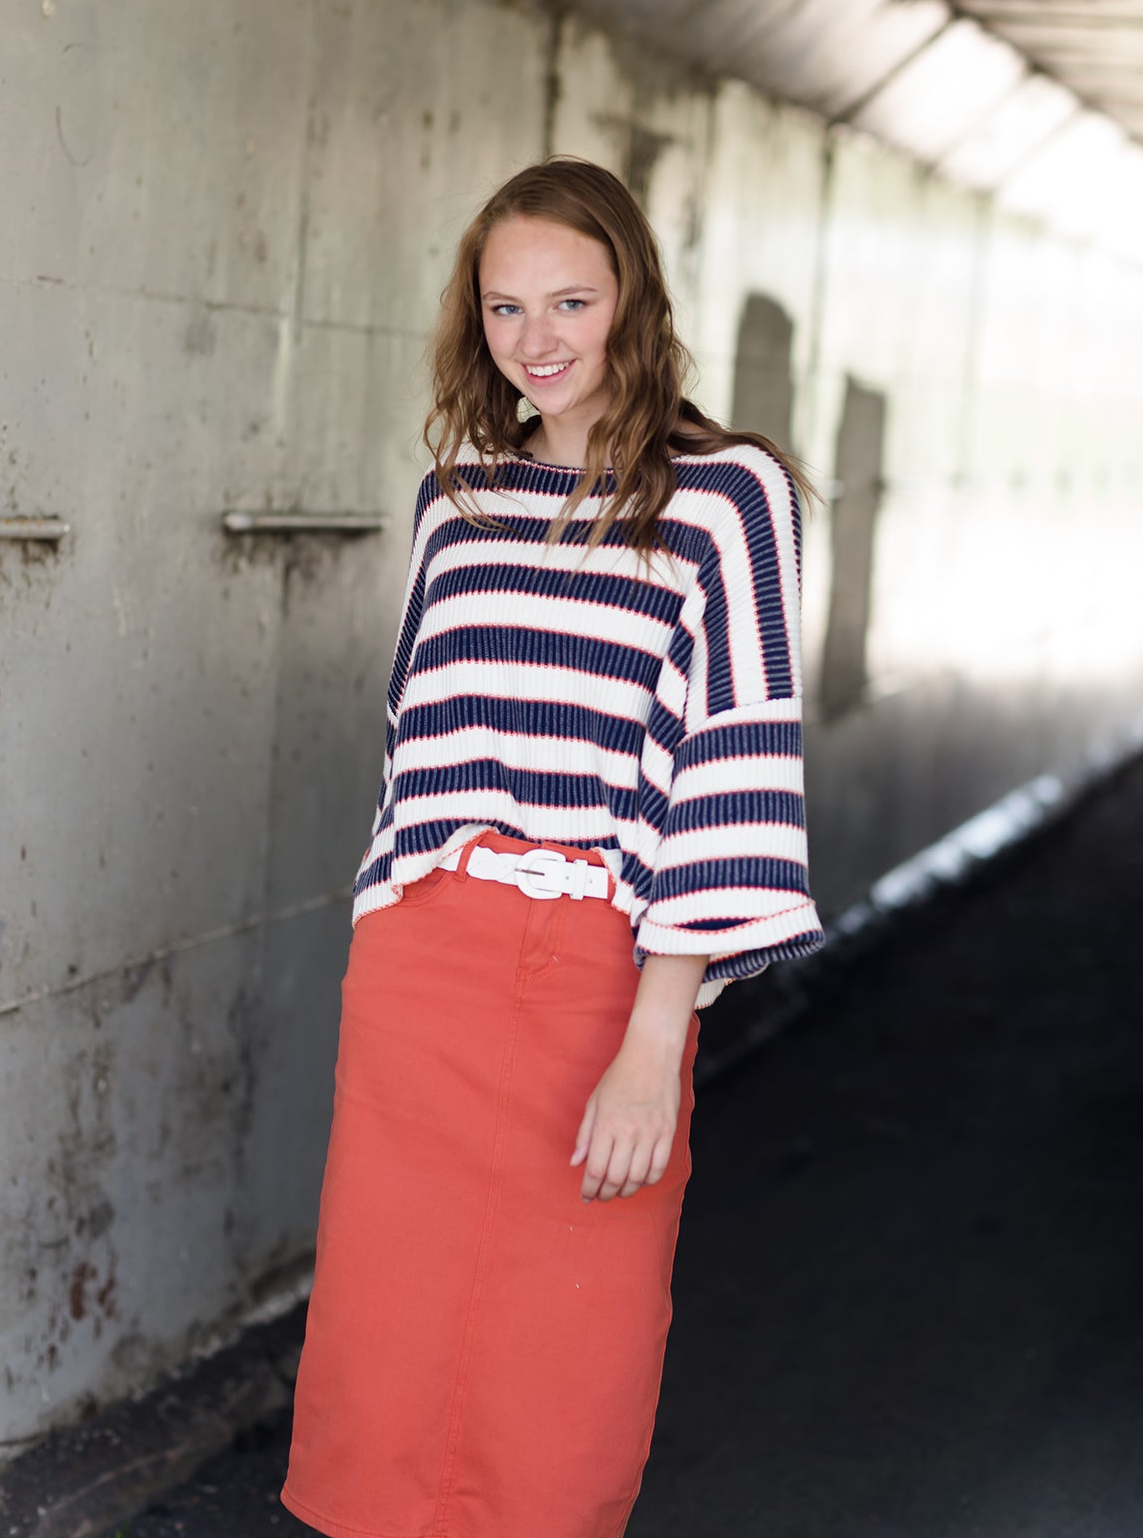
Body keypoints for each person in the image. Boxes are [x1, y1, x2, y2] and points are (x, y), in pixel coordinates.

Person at [281, 156, 824, 1538]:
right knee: (384, 1352)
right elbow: (416, 728)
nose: (539, 339)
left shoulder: (730, 498)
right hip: (424, 959)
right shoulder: (454, 491)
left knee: (566, 1364)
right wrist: (390, 916)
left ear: (633, 297)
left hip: (599, 969)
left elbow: (733, 758)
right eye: (507, 307)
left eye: (571, 300)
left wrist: (656, 1039)